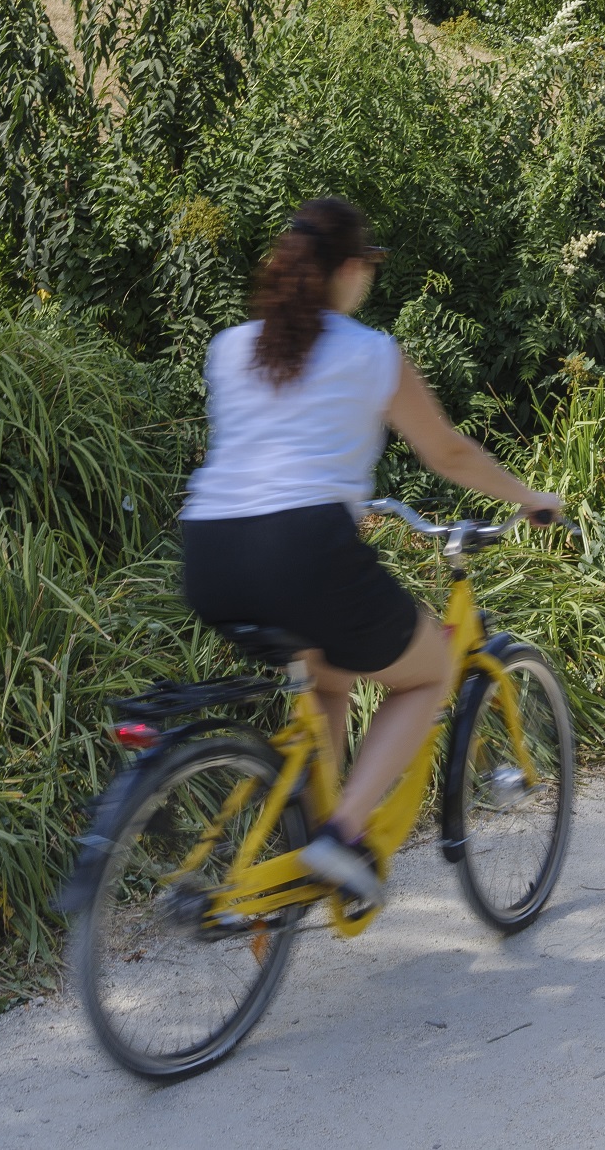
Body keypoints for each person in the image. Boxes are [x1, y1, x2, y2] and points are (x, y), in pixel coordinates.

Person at [180, 197, 565, 909]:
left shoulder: (231, 346)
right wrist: (527, 496)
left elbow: (262, 456)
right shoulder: (369, 352)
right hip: (301, 550)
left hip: (208, 553)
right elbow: (447, 450)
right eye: (368, 269)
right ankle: (342, 835)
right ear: (352, 269)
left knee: (329, 678)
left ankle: (308, 840)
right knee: (429, 671)